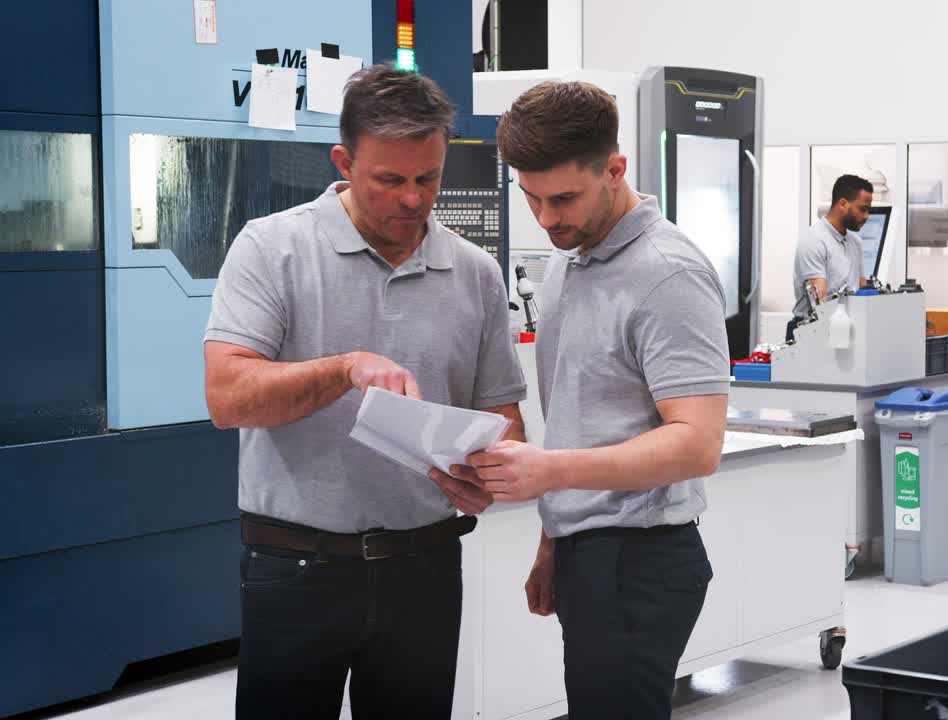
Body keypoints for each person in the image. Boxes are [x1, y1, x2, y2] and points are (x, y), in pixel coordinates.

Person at [203, 64, 526, 719]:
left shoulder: (475, 274)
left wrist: (487, 472)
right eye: (390, 180)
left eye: (428, 178)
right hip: (296, 566)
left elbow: (502, 415)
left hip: (426, 567)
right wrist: (342, 368)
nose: (413, 199)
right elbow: (227, 396)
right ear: (344, 162)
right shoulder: (273, 250)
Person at [458, 80, 729, 719]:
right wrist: (557, 537)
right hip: (594, 553)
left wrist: (551, 472)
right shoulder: (574, 260)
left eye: (564, 198)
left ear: (615, 169)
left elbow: (698, 442)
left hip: (640, 563)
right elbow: (587, 420)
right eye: (531, 199)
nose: (548, 219)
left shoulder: (667, 275)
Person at [787, 174, 875, 342]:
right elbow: (820, 306)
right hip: (810, 333)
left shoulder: (855, 242)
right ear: (842, 204)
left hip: (843, 329)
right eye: (862, 209)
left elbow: (862, 290)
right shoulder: (814, 240)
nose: (866, 216)